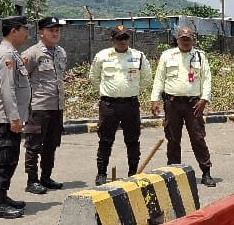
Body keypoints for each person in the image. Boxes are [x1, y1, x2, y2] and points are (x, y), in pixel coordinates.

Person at [150, 26, 215, 187]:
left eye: (188, 39)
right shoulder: (167, 55)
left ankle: (206, 172)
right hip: (172, 103)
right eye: (182, 39)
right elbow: (159, 79)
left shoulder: (200, 56)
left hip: (194, 104)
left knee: (198, 138)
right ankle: (174, 173)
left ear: (193, 40)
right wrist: (154, 100)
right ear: (177, 39)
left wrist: (204, 99)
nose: (186, 42)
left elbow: (207, 79)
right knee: (172, 139)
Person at [89, 24, 151, 185]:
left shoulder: (138, 56)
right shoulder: (102, 56)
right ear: (112, 40)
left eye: (125, 38)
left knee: (132, 140)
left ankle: (133, 172)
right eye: (119, 38)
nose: (123, 41)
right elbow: (94, 77)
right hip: (109, 105)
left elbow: (146, 78)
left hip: (130, 104)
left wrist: (133, 90)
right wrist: (106, 91)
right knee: (105, 140)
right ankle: (101, 173)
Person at [0, 15, 32, 219]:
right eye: (24, 29)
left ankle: (2, 197)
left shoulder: (12, 53)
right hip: (6, 117)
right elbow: (7, 89)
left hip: (11, 116)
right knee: (4, 159)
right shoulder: (6, 54)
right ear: (14, 31)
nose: (27, 34)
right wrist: (14, 118)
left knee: (10, 157)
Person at [21, 16, 67, 194]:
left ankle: (46, 177)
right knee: (34, 146)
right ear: (41, 32)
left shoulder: (61, 52)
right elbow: (21, 79)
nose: (55, 34)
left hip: (57, 106)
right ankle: (32, 181)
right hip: (39, 107)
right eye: (51, 30)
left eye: (57, 30)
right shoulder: (32, 53)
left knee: (51, 144)